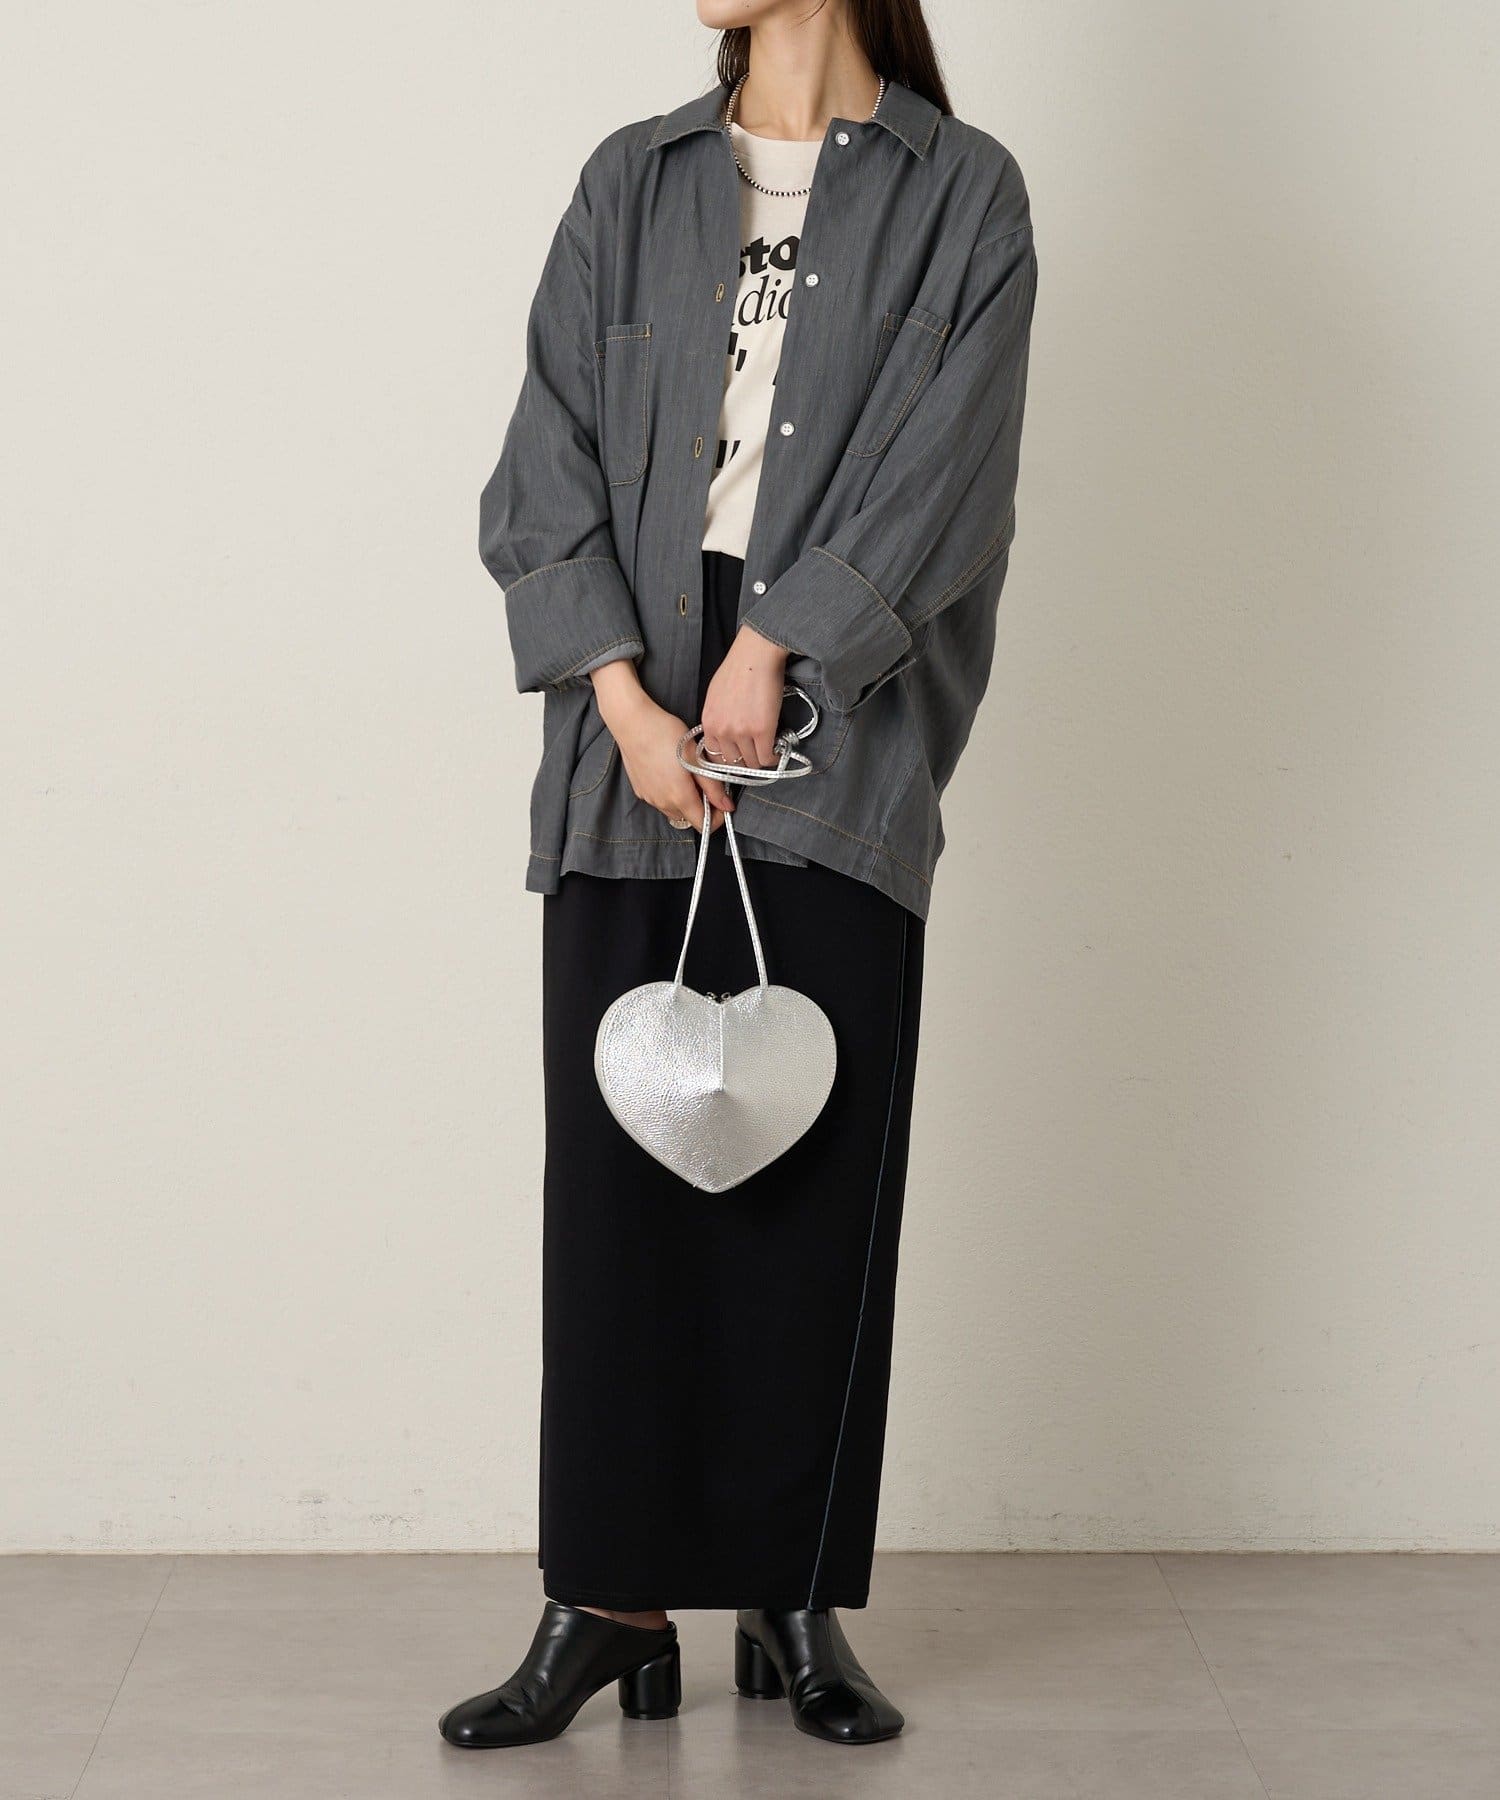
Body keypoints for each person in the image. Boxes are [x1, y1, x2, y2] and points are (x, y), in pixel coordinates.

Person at [440, 0, 1036, 1751]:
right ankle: (607, 1600)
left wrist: (778, 648)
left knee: (815, 1172)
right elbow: (543, 455)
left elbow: (951, 476)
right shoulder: (632, 182)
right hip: (628, 706)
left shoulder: (964, 194)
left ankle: (789, 1601)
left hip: (837, 709)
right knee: (617, 1185)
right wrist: (624, 700)